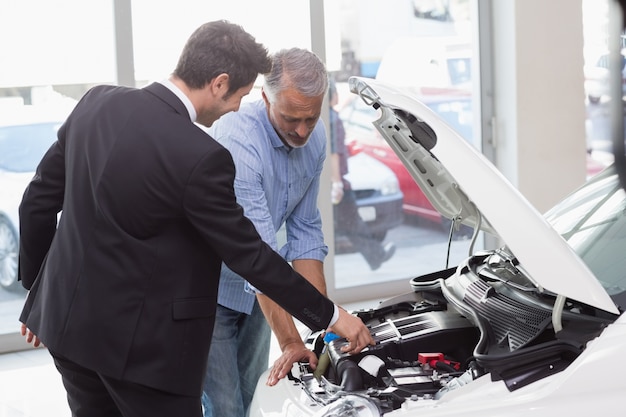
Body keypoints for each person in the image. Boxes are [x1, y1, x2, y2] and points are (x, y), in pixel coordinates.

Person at [17, 21, 375, 417]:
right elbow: (249, 256)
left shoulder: (95, 103)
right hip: (144, 356)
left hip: (69, 334)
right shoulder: (201, 155)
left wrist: (39, 294)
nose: (239, 106)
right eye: (239, 95)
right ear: (219, 84)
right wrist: (331, 315)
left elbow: (36, 201)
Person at [201, 47, 334, 417]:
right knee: (226, 408)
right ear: (264, 96)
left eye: (312, 116)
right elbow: (257, 251)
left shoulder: (316, 138)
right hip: (210, 291)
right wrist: (290, 339)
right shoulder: (237, 138)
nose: (303, 130)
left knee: (255, 397)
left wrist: (323, 327)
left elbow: (305, 231)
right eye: (292, 118)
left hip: (262, 290)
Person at [329, 80, 396, 270]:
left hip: (335, 182)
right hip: (337, 183)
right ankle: (376, 256)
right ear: (332, 95)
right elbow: (334, 153)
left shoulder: (324, 118)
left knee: (349, 223)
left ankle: (375, 256)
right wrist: (337, 183)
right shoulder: (332, 119)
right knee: (352, 223)